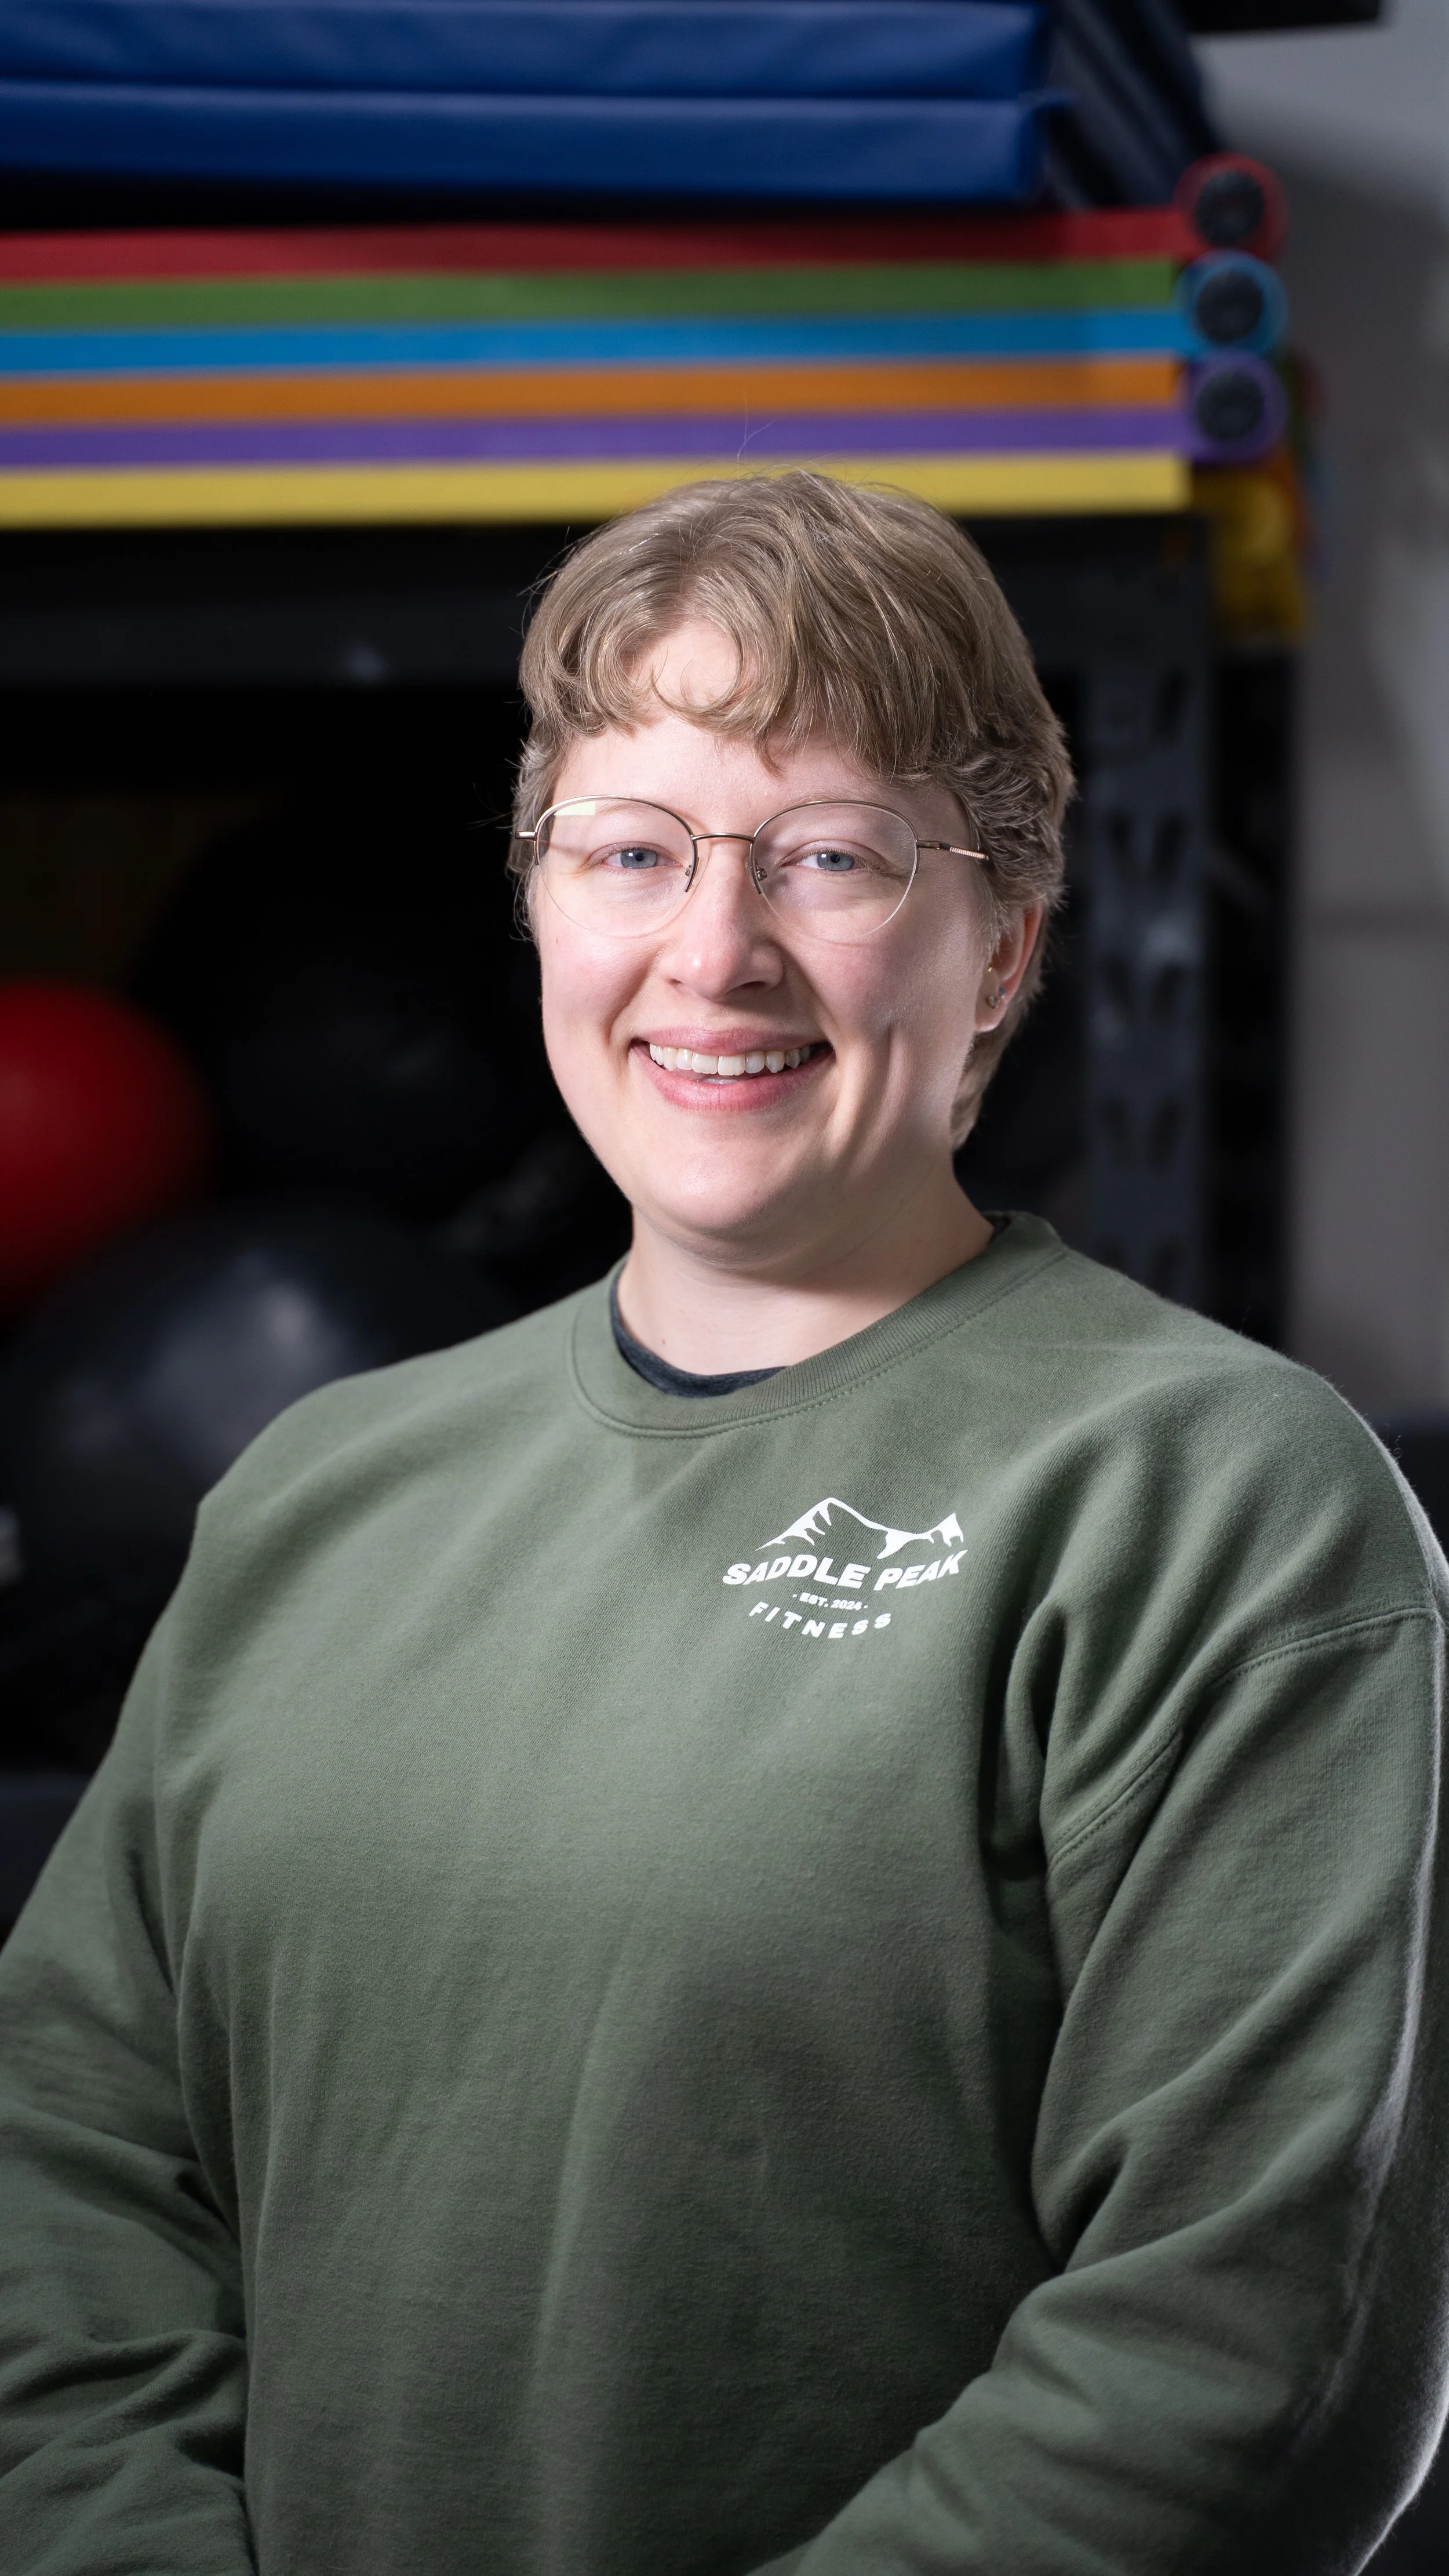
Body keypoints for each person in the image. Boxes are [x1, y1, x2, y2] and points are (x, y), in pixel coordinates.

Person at [1, 471, 1446, 2576]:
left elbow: (1242, 2348)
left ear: (1006, 944)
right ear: (541, 906)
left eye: (832, 856)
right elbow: (65, 2168)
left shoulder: (1213, 1503)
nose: (715, 951)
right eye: (633, 852)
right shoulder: (319, 1493)